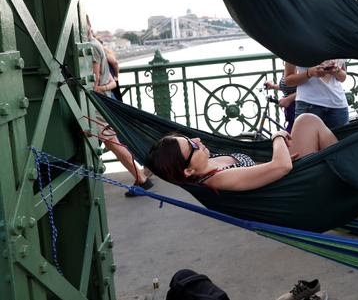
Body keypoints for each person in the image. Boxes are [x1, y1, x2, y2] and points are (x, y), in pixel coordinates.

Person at [146, 114, 336, 191]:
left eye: (189, 138)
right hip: (293, 188)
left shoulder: (209, 161)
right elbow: (281, 166)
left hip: (285, 174)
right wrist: (277, 136)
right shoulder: (217, 179)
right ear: (188, 171)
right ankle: (353, 176)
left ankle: (350, 172)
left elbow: (258, 169)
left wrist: (280, 160)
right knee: (306, 121)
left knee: (307, 121)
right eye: (191, 145)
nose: (197, 140)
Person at [87, 16, 153, 196]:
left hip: (97, 104)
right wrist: (112, 81)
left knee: (114, 142)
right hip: (106, 99)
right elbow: (112, 69)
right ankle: (145, 169)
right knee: (117, 140)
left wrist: (101, 86)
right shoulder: (99, 45)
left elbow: (92, 83)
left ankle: (142, 178)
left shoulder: (91, 47)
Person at [283, 59, 349, 129]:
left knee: (344, 139)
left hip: (338, 106)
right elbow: (288, 81)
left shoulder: (338, 48)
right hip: (308, 105)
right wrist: (309, 73)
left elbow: (343, 77)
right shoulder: (294, 48)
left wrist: (336, 71)